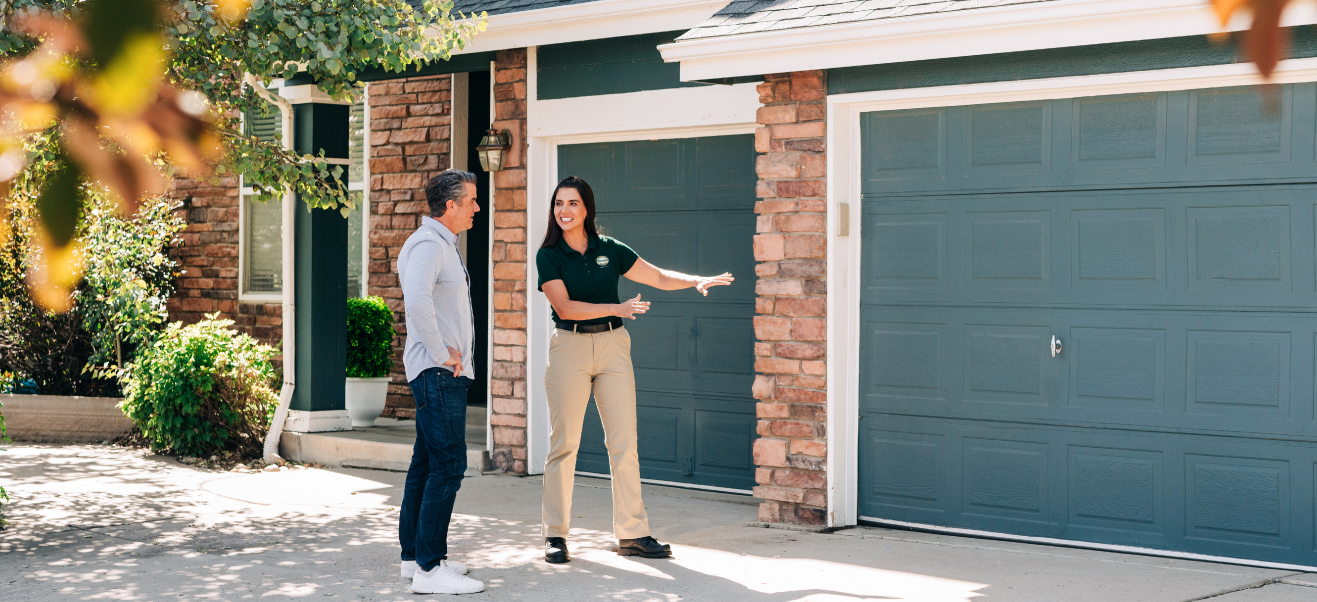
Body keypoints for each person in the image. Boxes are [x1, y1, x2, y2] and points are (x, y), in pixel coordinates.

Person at [536, 176, 734, 563]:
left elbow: (657, 276)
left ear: (587, 208)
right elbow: (565, 308)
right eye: (559, 204)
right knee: (565, 444)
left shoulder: (610, 249)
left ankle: (632, 534)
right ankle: (555, 535)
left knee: (624, 443)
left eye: (572, 204)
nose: (564, 211)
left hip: (613, 346)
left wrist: (696, 281)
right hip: (570, 347)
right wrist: (617, 307)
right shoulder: (549, 255)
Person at [396, 169, 484, 595]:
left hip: (439, 372)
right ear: (451, 205)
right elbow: (416, 301)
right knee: (449, 465)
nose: (476, 208)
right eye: (471, 201)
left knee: (426, 463)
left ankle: (415, 559)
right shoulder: (430, 245)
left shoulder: (437, 244)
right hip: (437, 373)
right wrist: (442, 352)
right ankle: (430, 571)